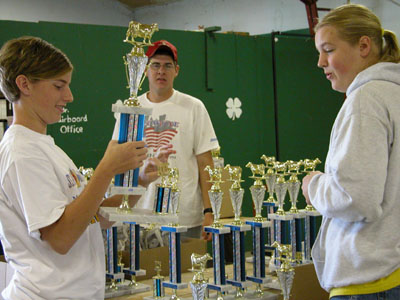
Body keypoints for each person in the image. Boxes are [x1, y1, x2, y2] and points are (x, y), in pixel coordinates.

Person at [0, 36, 161, 299]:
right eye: (58, 86)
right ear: (24, 84)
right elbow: (61, 239)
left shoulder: (45, 147)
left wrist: (139, 182)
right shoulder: (23, 154)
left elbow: (93, 218)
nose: (69, 96)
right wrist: (106, 169)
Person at [301, 4, 400, 300]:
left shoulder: (366, 101)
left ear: (364, 46)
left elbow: (356, 198)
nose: (320, 62)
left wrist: (313, 185)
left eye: (328, 49)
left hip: (369, 282)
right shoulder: (392, 95)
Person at [114, 40, 219, 240]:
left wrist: (210, 211)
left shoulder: (194, 107)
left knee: (188, 271)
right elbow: (117, 159)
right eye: (155, 65)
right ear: (145, 70)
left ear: (176, 70)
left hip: (185, 218)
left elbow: (206, 162)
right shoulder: (130, 110)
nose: (161, 71)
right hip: (139, 215)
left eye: (167, 65)